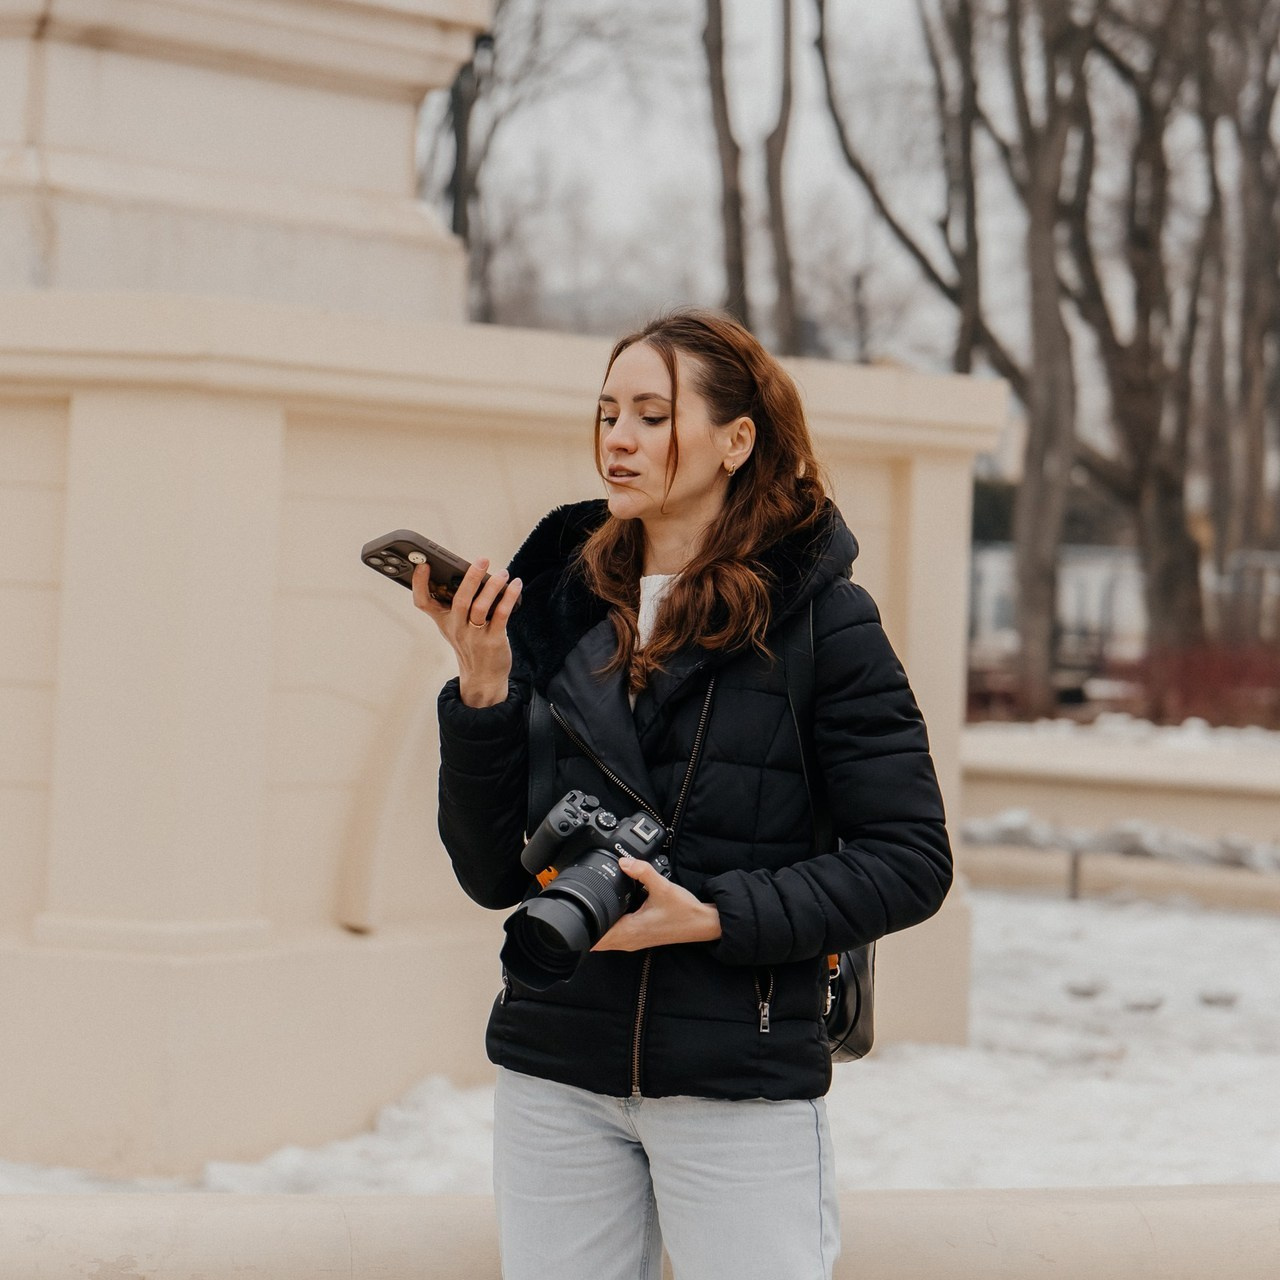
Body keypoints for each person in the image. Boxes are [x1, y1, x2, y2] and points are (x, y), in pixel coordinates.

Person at [418, 309, 951, 1280]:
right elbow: (493, 870)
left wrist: (709, 915)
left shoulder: (823, 621)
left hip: (735, 1079)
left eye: (653, 415)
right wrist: (484, 689)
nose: (616, 438)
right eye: (607, 411)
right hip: (555, 1066)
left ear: (735, 438)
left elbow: (910, 859)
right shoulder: (560, 606)